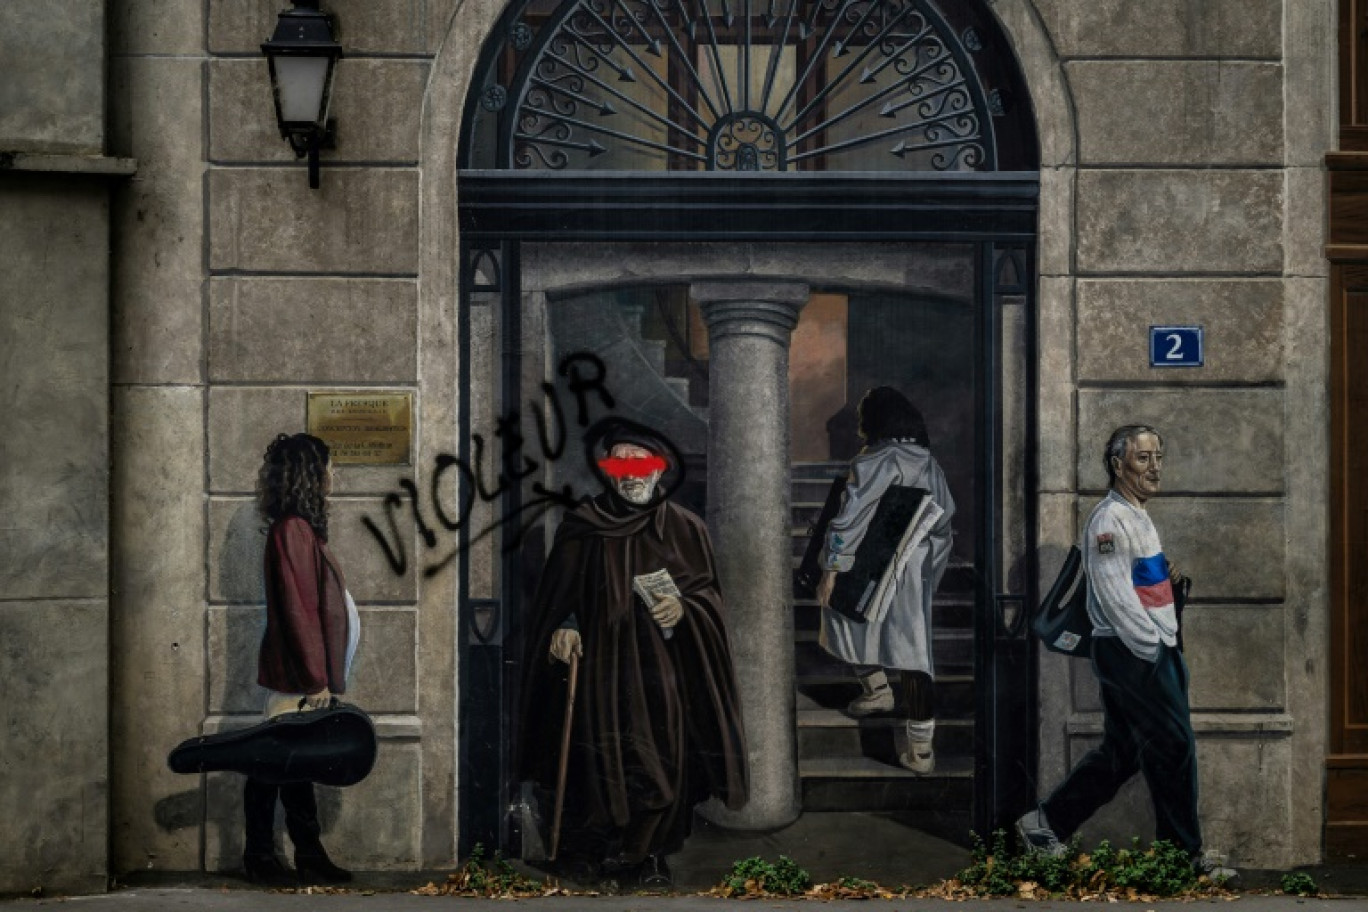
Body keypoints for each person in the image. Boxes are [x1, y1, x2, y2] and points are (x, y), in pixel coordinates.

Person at [517, 424, 748, 887]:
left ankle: (648, 857)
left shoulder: (686, 528)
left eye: (639, 463)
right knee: (594, 762)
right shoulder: (583, 525)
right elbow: (560, 598)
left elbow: (707, 598)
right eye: (618, 464)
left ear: (659, 467)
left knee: (660, 765)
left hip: (661, 672)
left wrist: (685, 607)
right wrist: (564, 626)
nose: (629, 474)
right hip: (598, 670)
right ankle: (589, 854)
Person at [1016, 426, 1230, 880]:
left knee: (1122, 754)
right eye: (1142, 459)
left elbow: (1138, 583)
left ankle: (1044, 824)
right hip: (1134, 652)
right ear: (1118, 466)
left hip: (1144, 648)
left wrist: (1162, 580)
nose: (1154, 467)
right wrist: (1152, 650)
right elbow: (1115, 597)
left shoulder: (1136, 515)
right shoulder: (1108, 521)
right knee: (1174, 747)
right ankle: (1184, 858)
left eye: (1157, 457)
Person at [815, 387, 955, 774]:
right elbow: (944, 525)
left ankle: (876, 687)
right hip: (914, 567)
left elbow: (851, 517)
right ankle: (921, 749)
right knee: (912, 652)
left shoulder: (874, 460)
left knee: (839, 614)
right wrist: (929, 571)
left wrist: (832, 568)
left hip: (867, 560)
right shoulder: (930, 464)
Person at [244, 433, 359, 886]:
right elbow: (298, 610)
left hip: (300, 676)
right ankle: (262, 856)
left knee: (290, 765)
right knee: (271, 767)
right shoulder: (292, 530)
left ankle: (305, 855)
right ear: (311, 475)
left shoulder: (297, 529)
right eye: (329, 467)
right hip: (297, 677)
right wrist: (316, 680)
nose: (335, 475)